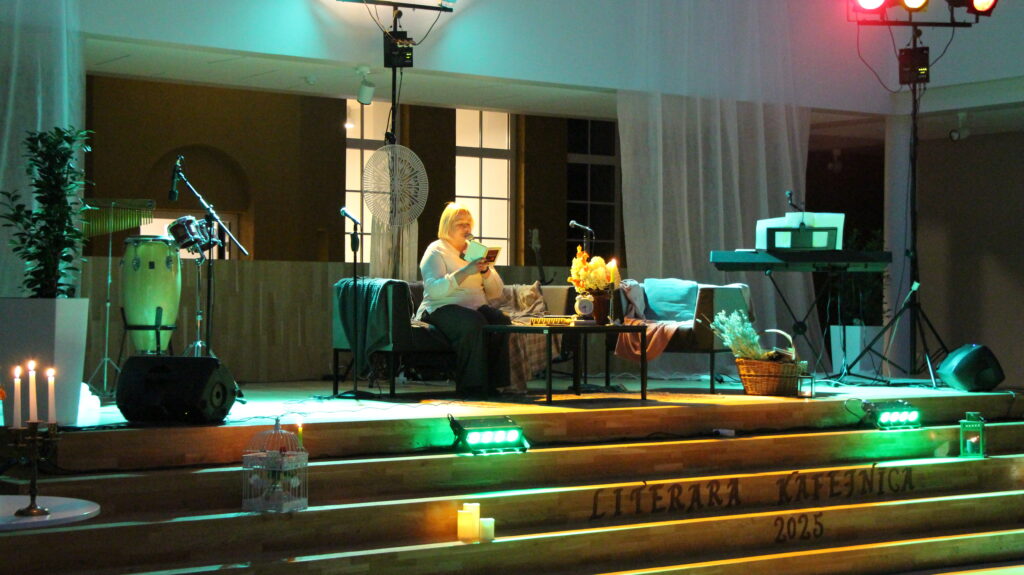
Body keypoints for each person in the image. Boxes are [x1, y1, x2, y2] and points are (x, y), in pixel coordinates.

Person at [415, 202, 511, 395]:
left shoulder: (475, 250)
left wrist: (485, 272)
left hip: (474, 307)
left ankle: (494, 384)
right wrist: (466, 271)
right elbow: (434, 290)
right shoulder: (436, 250)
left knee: (501, 321)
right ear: (447, 226)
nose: (466, 228)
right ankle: (471, 386)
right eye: (460, 224)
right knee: (473, 322)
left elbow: (496, 292)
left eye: (469, 223)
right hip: (440, 308)